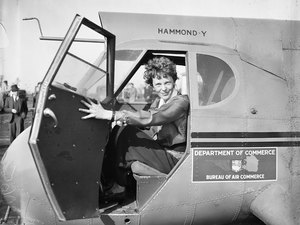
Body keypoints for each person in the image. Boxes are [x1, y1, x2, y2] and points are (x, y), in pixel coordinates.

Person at [79, 56, 189, 198]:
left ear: (174, 81)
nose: (163, 88)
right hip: (162, 151)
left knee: (128, 132)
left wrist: (112, 115)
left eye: (167, 82)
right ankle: (108, 181)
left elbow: (152, 117)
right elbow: (149, 125)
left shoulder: (180, 102)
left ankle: (118, 185)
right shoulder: (158, 101)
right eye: (158, 84)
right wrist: (122, 121)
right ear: (153, 85)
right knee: (121, 129)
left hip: (174, 158)